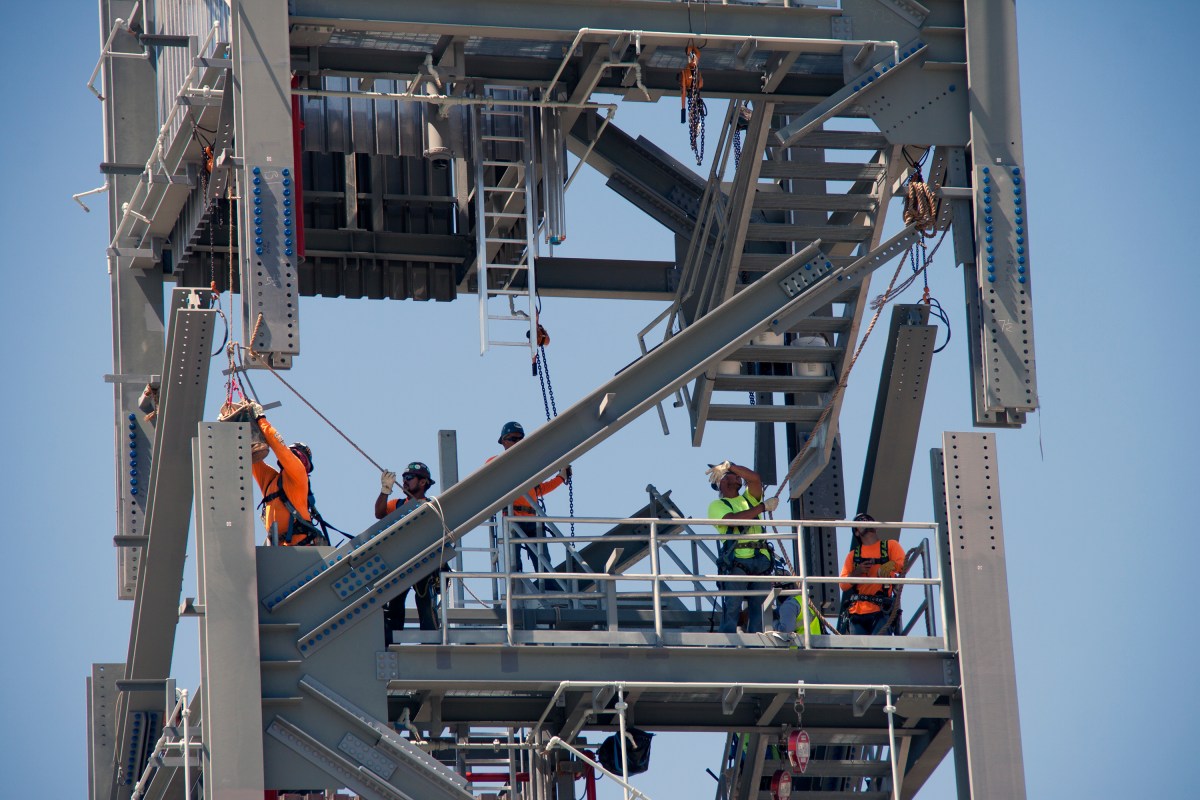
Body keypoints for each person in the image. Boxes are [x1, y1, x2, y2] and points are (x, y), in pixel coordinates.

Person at [486, 421, 571, 585]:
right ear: (504, 441)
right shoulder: (496, 463)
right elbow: (489, 475)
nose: (518, 442)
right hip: (511, 519)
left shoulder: (530, 466)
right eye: (513, 439)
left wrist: (561, 477)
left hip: (532, 519)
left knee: (544, 562)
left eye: (520, 439)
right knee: (513, 563)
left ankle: (549, 591)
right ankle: (517, 590)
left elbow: (539, 490)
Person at [706, 460, 779, 633]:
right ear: (722, 482)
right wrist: (762, 507)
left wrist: (730, 466)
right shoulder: (716, 506)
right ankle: (728, 643)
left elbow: (754, 479)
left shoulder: (749, 499)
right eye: (733, 475)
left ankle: (757, 643)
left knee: (760, 608)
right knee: (732, 606)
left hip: (761, 560)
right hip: (737, 561)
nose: (739, 477)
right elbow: (733, 520)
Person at [376, 462, 442, 641]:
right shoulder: (397, 505)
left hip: (423, 561)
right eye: (404, 478)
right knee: (394, 603)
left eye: (409, 478)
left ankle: (430, 643)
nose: (404, 481)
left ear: (422, 483)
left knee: (425, 601)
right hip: (401, 561)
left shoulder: (432, 506)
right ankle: (390, 642)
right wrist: (385, 490)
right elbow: (379, 513)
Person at [247, 403, 327, 546]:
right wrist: (243, 426)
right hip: (281, 549)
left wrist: (261, 419)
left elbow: (279, 447)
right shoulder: (272, 481)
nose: (296, 461)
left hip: (300, 548)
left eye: (299, 458)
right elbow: (251, 458)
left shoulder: (299, 475)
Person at [838, 512, 906, 635]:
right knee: (861, 653)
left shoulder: (890, 545)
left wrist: (890, 565)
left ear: (876, 527)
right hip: (857, 613)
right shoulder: (853, 556)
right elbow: (843, 585)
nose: (865, 521)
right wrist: (857, 572)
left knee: (879, 651)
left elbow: (903, 564)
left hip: (881, 610)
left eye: (868, 519)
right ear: (857, 532)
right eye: (860, 521)